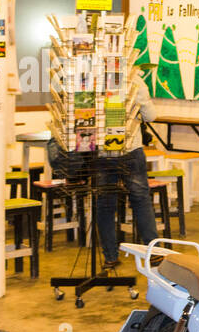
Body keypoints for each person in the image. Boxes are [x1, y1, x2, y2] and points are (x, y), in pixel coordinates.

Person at [46, 80, 160, 271]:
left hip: (101, 149)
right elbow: (151, 115)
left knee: (105, 202)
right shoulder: (134, 79)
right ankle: (154, 253)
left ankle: (110, 256)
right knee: (140, 199)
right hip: (130, 148)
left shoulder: (89, 79)